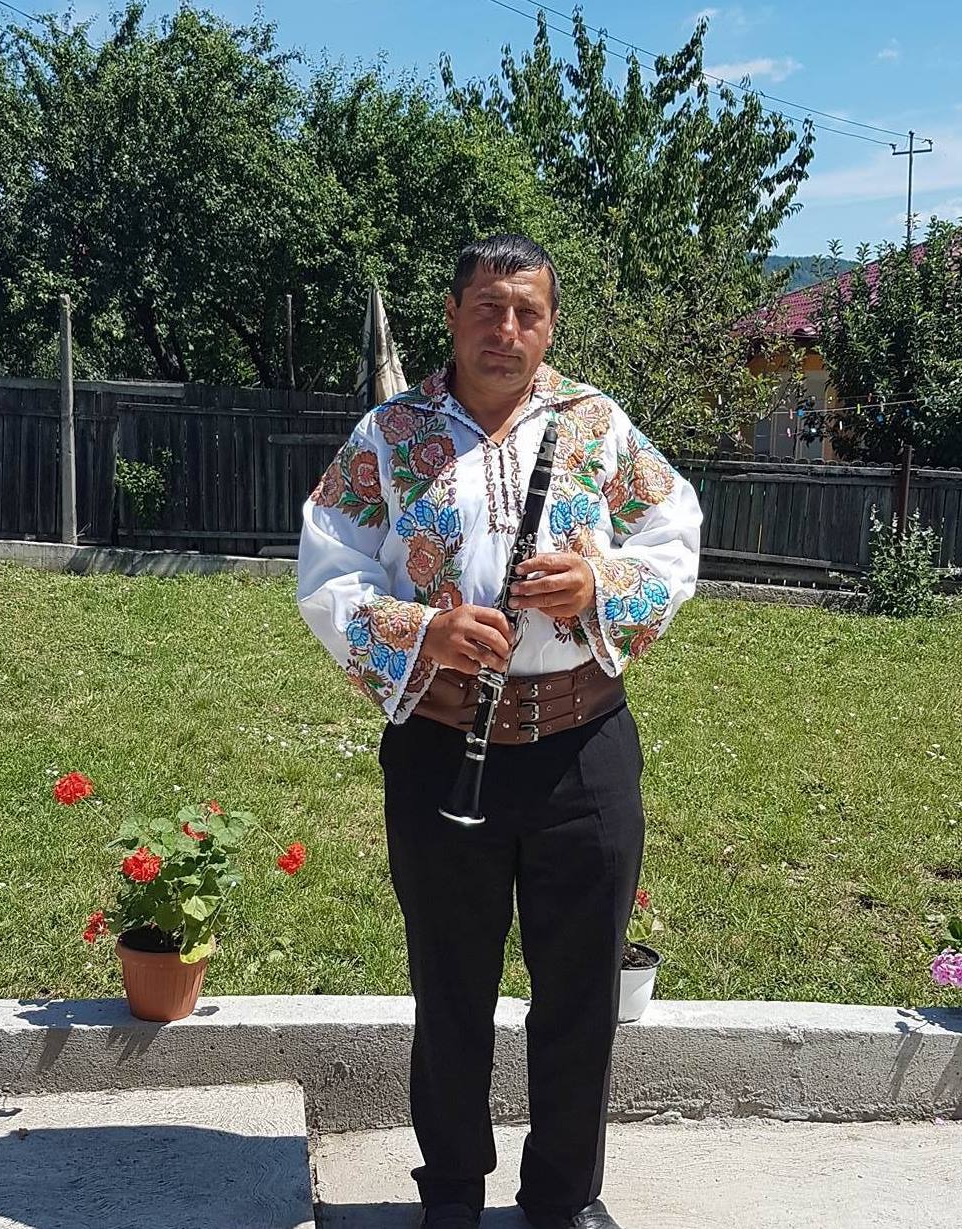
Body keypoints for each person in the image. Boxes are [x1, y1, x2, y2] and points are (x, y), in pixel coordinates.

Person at [296, 234, 702, 1229]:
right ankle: (451, 1194)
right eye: (487, 307)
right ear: (452, 315)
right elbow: (328, 565)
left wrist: (597, 579)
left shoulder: (594, 423)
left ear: (548, 325)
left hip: (581, 746)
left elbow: (675, 535)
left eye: (526, 311)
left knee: (580, 992)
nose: (505, 329)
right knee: (450, 989)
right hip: (442, 747)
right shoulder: (391, 432)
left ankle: (562, 1196)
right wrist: (420, 631)